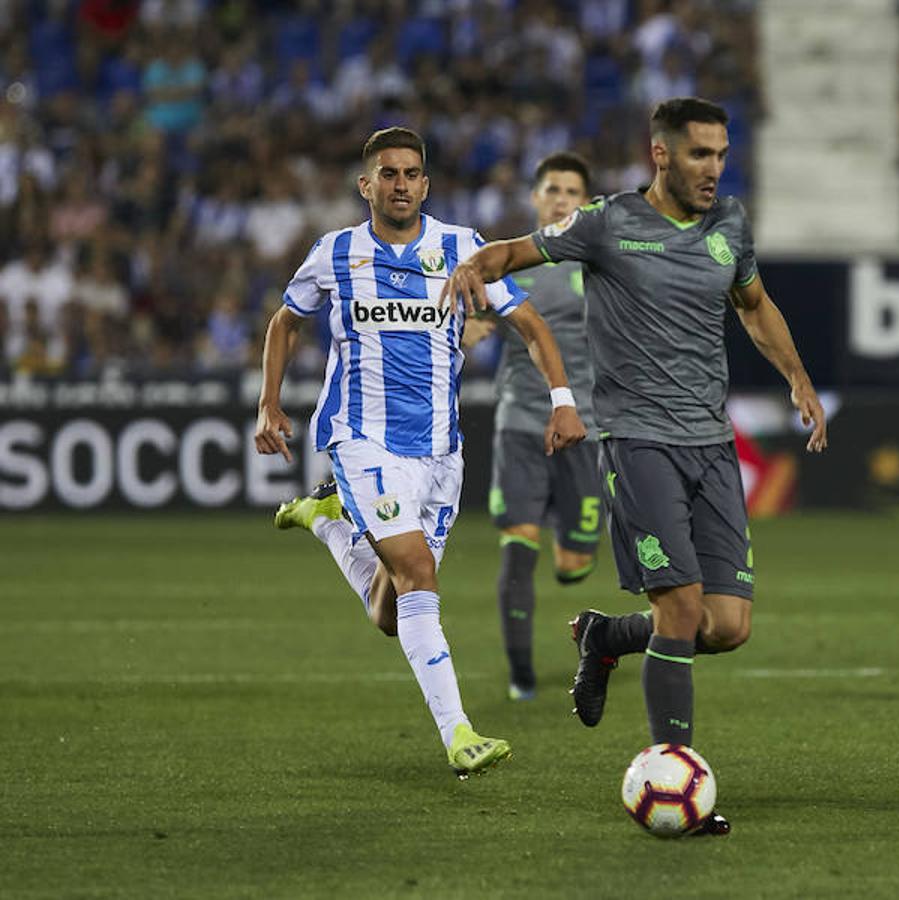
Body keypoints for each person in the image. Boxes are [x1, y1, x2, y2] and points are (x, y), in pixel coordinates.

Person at [441, 98, 828, 832]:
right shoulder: (608, 222)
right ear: (662, 155)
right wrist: (474, 269)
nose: (714, 169)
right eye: (700, 155)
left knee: (727, 625)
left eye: (720, 154)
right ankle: (670, 772)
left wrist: (797, 378)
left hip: (710, 446)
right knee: (680, 610)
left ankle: (604, 636)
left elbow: (755, 305)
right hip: (636, 441)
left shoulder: (729, 227)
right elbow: (511, 254)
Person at [253, 126, 586, 780]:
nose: (400, 183)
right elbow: (286, 320)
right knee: (419, 577)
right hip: (362, 440)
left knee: (390, 608)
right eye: (389, 173)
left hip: (440, 453)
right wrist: (270, 403)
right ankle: (458, 733)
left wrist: (563, 399)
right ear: (366, 184)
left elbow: (528, 323)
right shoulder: (336, 253)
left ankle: (326, 523)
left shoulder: (462, 249)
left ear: (425, 185)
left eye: (411, 173)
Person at [461, 152, 604, 702]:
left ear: (586, 203)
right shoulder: (511, 261)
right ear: (536, 198)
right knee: (517, 548)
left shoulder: (601, 266)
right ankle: (521, 676)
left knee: (574, 566)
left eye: (573, 190)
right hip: (521, 421)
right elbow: (477, 314)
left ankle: (568, 547)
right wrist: (472, 330)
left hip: (585, 430)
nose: (562, 197)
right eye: (552, 189)